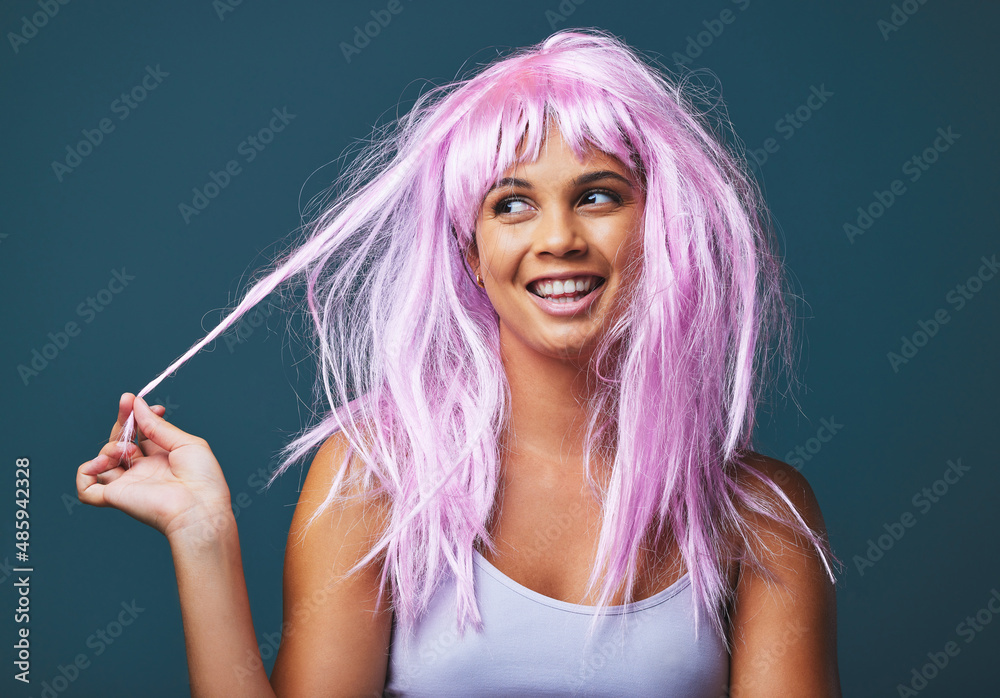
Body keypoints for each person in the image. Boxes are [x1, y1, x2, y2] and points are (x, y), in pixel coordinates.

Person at [77, 29, 841, 696]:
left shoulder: (764, 518)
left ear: (660, 229)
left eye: (599, 196)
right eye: (512, 205)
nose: (559, 239)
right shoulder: (375, 478)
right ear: (471, 257)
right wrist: (201, 535)